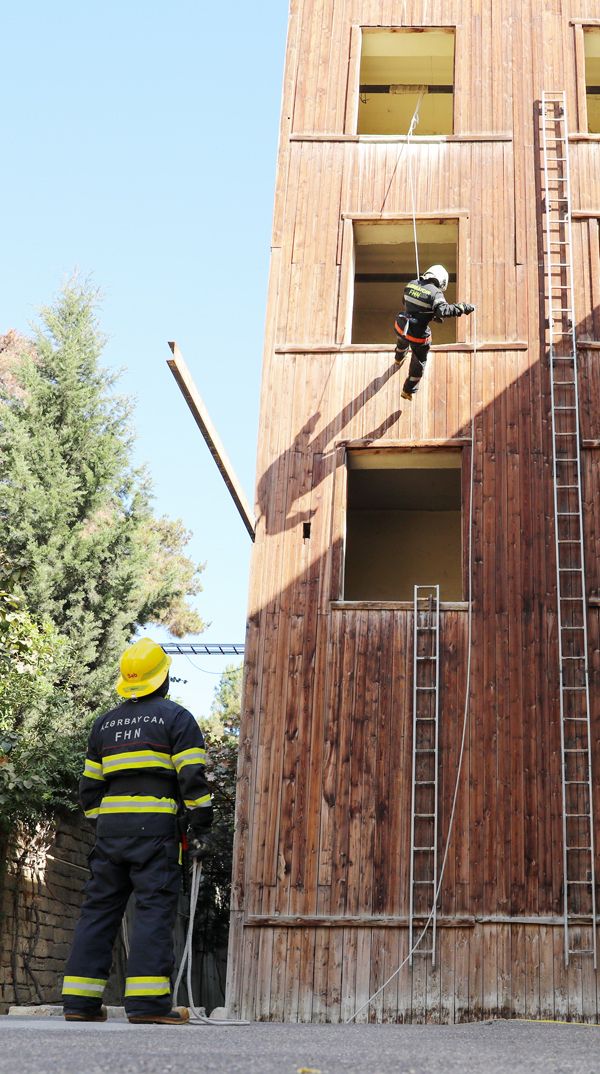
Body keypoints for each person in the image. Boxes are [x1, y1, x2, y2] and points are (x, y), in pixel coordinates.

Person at [62, 637, 214, 1026]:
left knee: (98, 911)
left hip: (110, 833)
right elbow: (192, 778)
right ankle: (148, 1005)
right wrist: (202, 826)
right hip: (156, 833)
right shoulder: (176, 718)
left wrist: (105, 824)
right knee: (153, 910)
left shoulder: (105, 724)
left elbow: (89, 788)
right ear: (163, 677)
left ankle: (79, 1002)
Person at [393, 264, 475, 400]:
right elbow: (443, 310)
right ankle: (407, 390)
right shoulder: (435, 293)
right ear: (441, 280)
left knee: (402, 341)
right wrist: (462, 307)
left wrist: (428, 313)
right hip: (417, 336)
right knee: (419, 360)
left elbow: (406, 302)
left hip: (401, 327)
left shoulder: (411, 283)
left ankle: (398, 358)